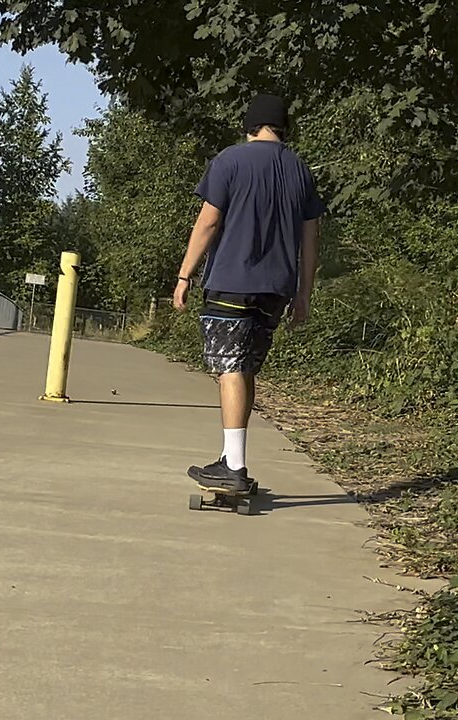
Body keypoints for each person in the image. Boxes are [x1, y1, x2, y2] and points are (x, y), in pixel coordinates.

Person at [173, 93, 325, 492]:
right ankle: (232, 456)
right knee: (246, 369)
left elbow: (208, 223)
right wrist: (304, 293)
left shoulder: (230, 161)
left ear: (250, 125)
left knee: (230, 368)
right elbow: (311, 238)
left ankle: (234, 468)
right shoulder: (300, 170)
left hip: (232, 282)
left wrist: (185, 274)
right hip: (277, 289)